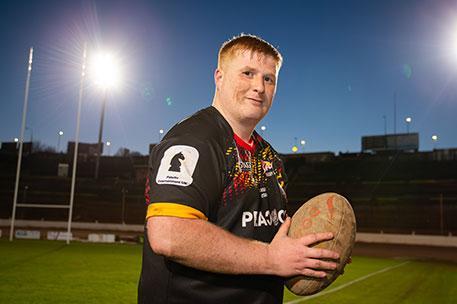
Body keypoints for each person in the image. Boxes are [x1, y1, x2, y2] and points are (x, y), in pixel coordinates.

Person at [138, 34, 340, 304]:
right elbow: (169, 234)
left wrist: (316, 254)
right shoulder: (194, 140)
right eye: (248, 73)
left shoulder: (269, 157)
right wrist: (271, 259)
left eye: (269, 79)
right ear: (219, 77)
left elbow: (263, 237)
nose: (259, 86)